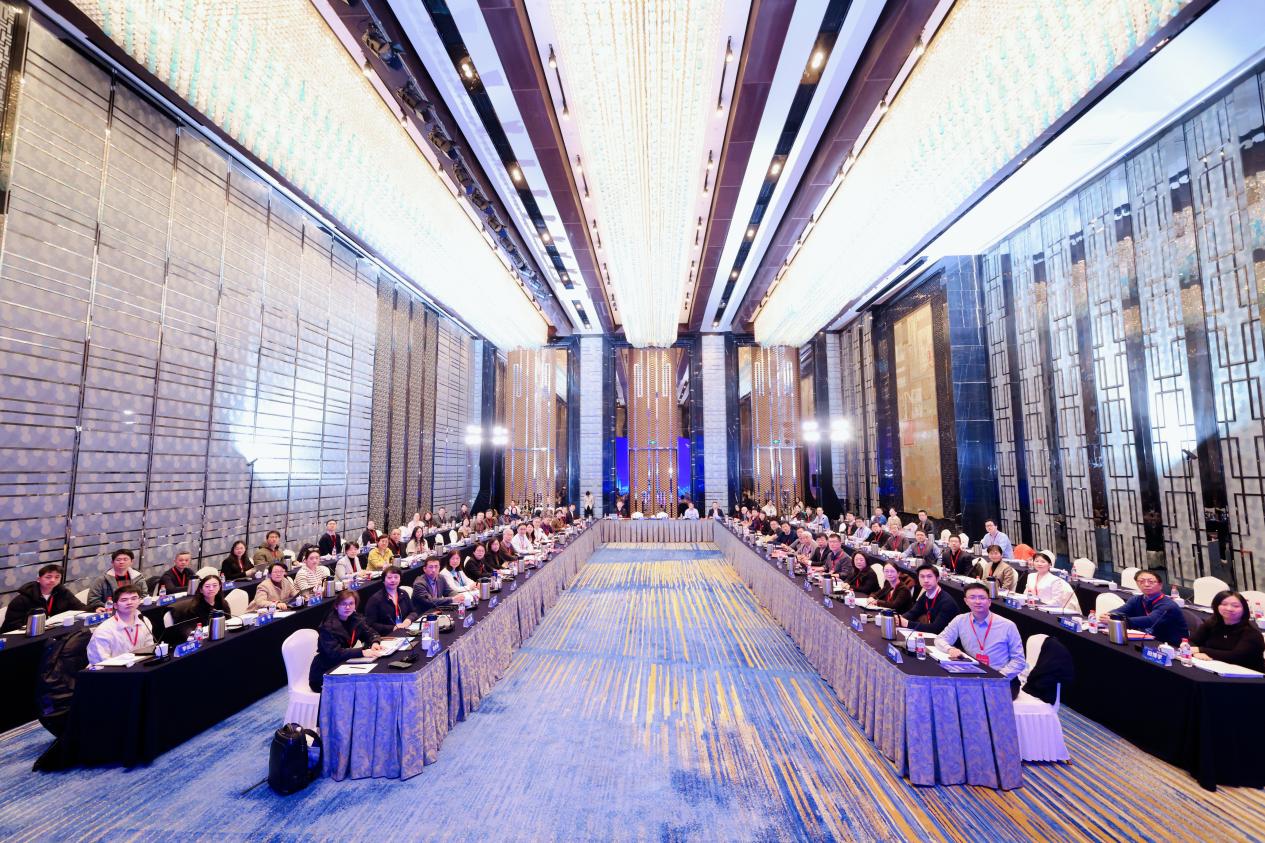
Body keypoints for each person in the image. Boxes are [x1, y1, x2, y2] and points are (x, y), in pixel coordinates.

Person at [936, 583, 1026, 683]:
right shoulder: (960, 620)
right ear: (966, 601)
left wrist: (998, 677)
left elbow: (1019, 661)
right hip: (972, 675)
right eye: (972, 597)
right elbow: (940, 639)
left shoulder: (1008, 625)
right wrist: (950, 649)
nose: (977, 601)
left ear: (989, 602)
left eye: (982, 598)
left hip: (1002, 678)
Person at [309, 590, 382, 692]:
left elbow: (370, 633)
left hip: (343, 665)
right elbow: (335, 653)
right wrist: (362, 652)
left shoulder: (355, 618)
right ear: (336, 606)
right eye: (344, 604)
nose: (348, 607)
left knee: (370, 681)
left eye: (351, 604)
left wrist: (375, 642)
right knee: (361, 687)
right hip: (324, 674)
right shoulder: (328, 626)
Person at [1107, 569, 1189, 646]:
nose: (1146, 584)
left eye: (1151, 581)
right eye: (1141, 581)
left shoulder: (1168, 605)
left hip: (1171, 645)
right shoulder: (1136, 599)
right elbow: (1121, 610)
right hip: (1148, 639)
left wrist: (1121, 621)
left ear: (1160, 585)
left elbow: (1150, 620)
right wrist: (1109, 615)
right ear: (1137, 584)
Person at [1190, 591, 1265, 671]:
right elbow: (1192, 642)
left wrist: (1201, 650)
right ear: (1216, 606)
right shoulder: (1211, 624)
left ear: (1244, 609)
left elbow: (1235, 657)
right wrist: (1195, 653)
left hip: (1250, 674)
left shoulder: (1252, 633)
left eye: (1235, 606)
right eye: (1224, 604)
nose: (1229, 609)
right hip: (1216, 668)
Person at [0, 565, 85, 632]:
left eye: (57, 577)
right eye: (48, 577)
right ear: (38, 579)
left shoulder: (63, 593)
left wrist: (93, 608)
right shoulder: (22, 599)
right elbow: (12, 625)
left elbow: (80, 607)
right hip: (25, 637)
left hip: (53, 632)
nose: (53, 580)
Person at [86, 585, 155, 664]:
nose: (129, 602)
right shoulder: (104, 630)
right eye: (124, 600)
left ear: (139, 601)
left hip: (139, 666)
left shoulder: (144, 621)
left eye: (134, 598)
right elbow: (101, 662)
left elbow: (149, 649)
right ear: (115, 605)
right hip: (112, 669)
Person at [898, 565, 958, 633]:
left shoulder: (947, 602)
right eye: (922, 577)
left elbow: (935, 629)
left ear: (937, 579)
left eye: (929, 576)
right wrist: (899, 619)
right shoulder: (926, 594)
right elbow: (913, 613)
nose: (926, 580)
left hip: (947, 638)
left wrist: (907, 623)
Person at [364, 566, 417, 636]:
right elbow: (370, 624)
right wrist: (393, 628)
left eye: (396, 577)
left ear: (400, 579)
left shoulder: (403, 593)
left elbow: (413, 612)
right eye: (389, 577)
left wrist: (408, 620)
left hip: (406, 630)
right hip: (387, 635)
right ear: (383, 580)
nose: (393, 580)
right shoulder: (375, 599)